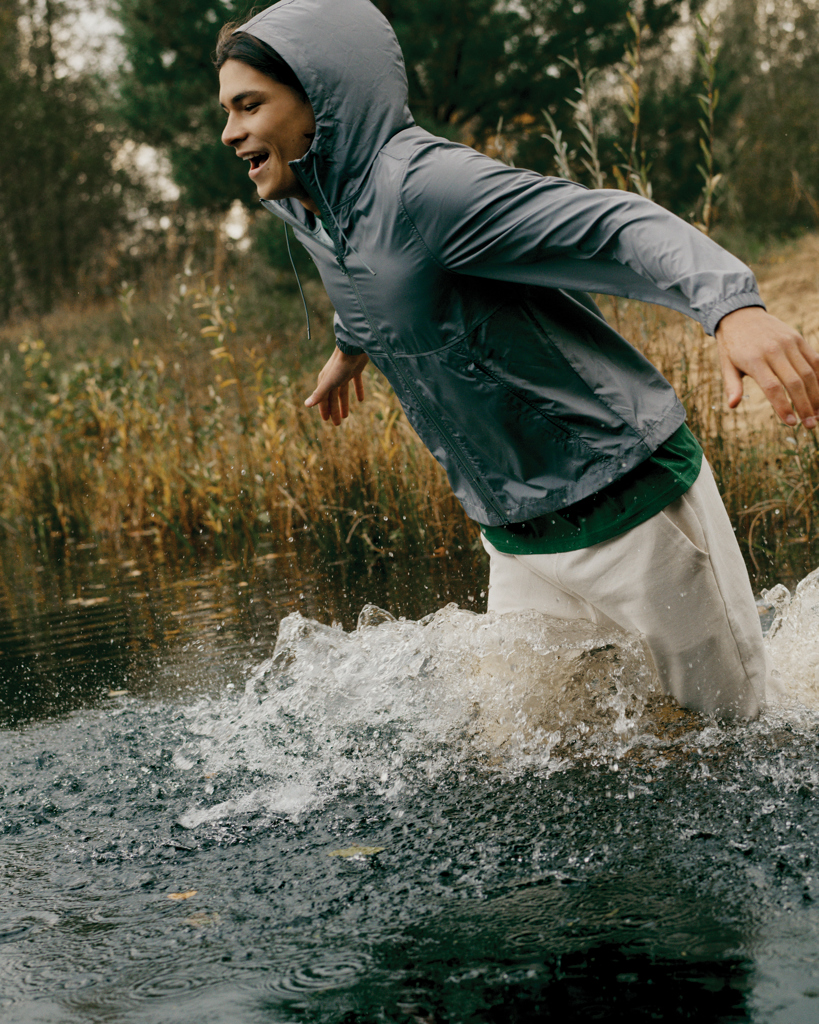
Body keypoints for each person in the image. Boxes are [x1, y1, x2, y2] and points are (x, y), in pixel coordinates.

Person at [216, 0, 819, 721]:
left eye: (249, 106)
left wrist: (732, 307)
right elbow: (370, 273)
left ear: (322, 99)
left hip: (635, 514)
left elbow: (615, 224)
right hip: (518, 539)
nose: (230, 132)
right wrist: (351, 348)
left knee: (737, 742)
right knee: (522, 758)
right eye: (225, 111)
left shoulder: (426, 187)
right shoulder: (315, 207)